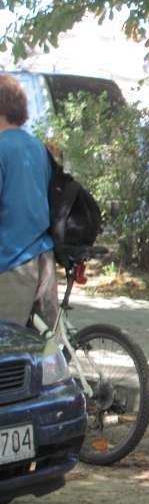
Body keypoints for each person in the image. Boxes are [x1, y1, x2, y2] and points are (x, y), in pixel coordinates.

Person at [0, 74, 57, 328]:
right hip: (42, 256)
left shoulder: (2, 147)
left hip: (11, 261)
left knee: (8, 354)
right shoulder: (36, 147)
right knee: (42, 350)